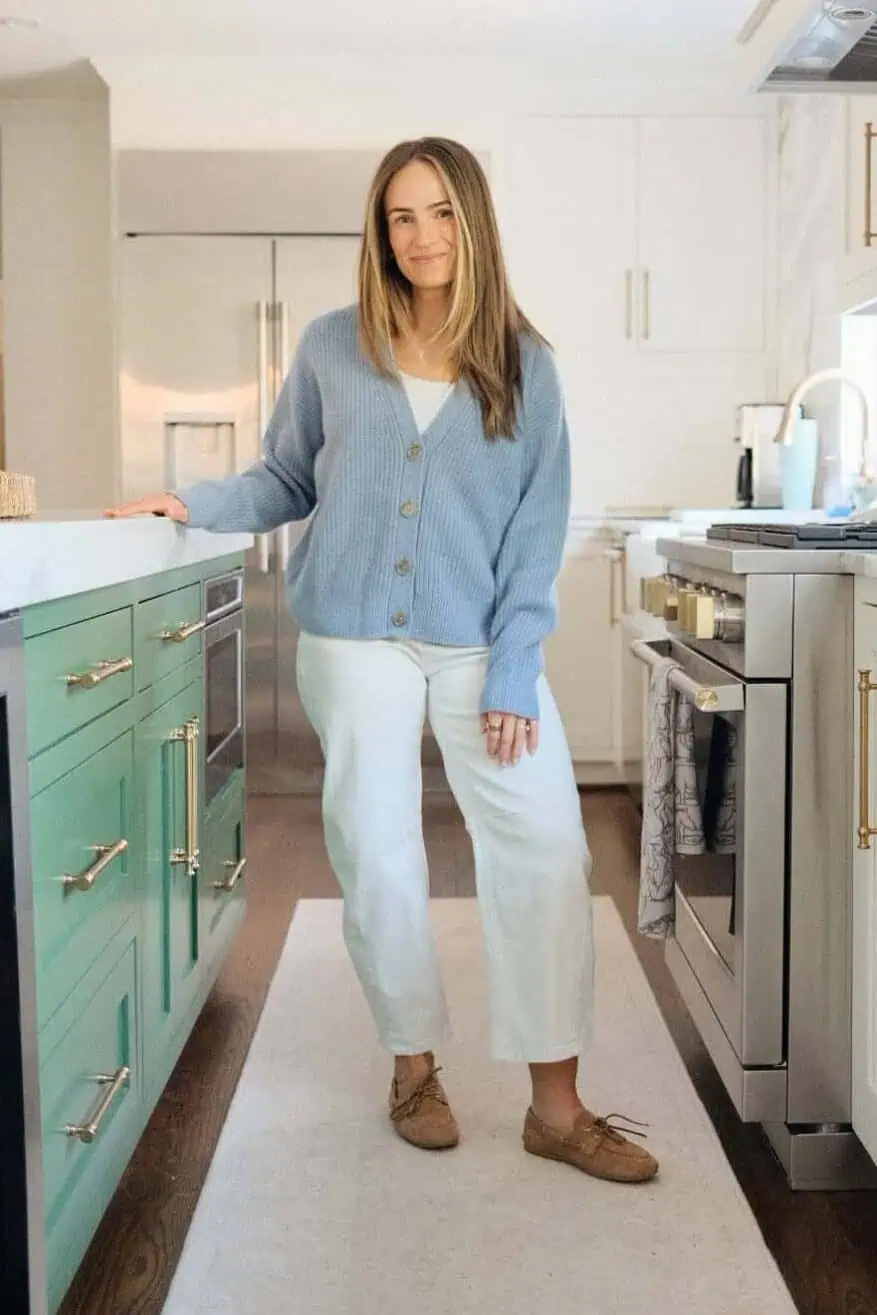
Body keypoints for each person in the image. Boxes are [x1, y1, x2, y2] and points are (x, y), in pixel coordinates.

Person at [106, 137, 658, 1185]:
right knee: (377, 846)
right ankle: (412, 1063)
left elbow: (537, 533)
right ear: (379, 230)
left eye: (441, 213)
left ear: (474, 223)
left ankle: (556, 1105)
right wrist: (193, 501)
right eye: (401, 216)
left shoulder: (525, 365)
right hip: (352, 633)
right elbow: (279, 476)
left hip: (478, 642)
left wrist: (511, 667)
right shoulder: (328, 346)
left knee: (544, 848)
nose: (421, 236)